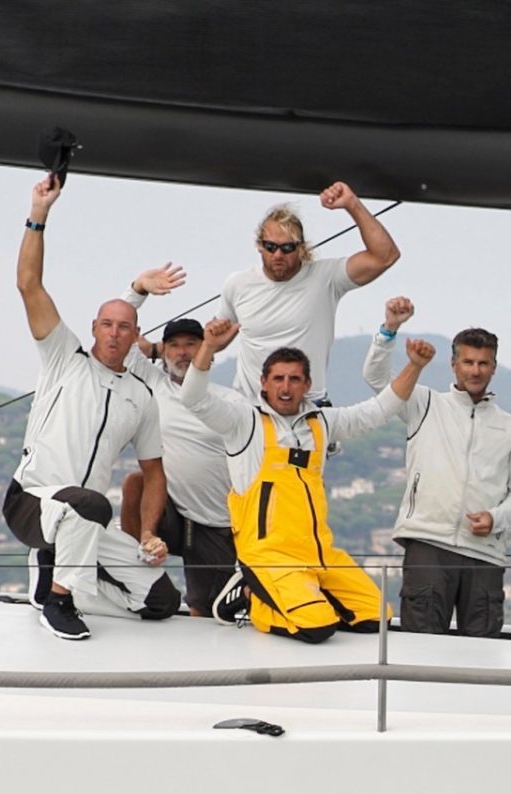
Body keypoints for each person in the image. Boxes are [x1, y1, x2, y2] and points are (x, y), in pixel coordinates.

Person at [3, 174, 180, 640]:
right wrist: (38, 213)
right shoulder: (64, 358)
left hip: (89, 521)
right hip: (35, 503)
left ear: (136, 336)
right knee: (89, 503)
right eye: (107, 324)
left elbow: (154, 472)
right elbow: (28, 283)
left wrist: (146, 534)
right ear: (94, 328)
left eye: (125, 327)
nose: (115, 333)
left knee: (163, 603)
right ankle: (59, 601)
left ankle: (56, 581)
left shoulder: (140, 396)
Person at [181, 320, 431, 642]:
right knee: (317, 627)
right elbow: (193, 399)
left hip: (319, 554)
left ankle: (290, 596)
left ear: (307, 384)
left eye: (295, 379)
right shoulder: (243, 423)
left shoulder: (322, 423)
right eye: (278, 379)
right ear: (264, 383)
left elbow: (377, 411)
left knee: (375, 617)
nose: (286, 388)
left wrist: (415, 366)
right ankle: (252, 594)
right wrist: (208, 348)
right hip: (268, 557)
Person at [361, 297, 511, 637]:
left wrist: (497, 518)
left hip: (485, 554)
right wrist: (389, 330)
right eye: (468, 362)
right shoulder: (424, 403)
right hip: (428, 542)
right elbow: (377, 380)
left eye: (483, 363)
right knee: (420, 646)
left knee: (481, 657)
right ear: (454, 365)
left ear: (494, 367)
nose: (475, 370)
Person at [117, 262, 241, 619]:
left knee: (209, 611)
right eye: (174, 346)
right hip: (167, 511)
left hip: (213, 519)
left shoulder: (229, 400)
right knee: (135, 482)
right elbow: (121, 338)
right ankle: (137, 554)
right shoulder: (152, 383)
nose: (182, 352)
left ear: (207, 350)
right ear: (163, 351)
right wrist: (138, 289)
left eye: (191, 345)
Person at [217, 182, 400, 402]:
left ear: (302, 248)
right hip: (253, 411)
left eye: (287, 248)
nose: (278, 255)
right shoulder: (237, 283)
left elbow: (385, 256)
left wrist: (352, 204)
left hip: (308, 406)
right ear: (259, 245)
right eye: (270, 247)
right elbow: (217, 340)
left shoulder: (325, 277)